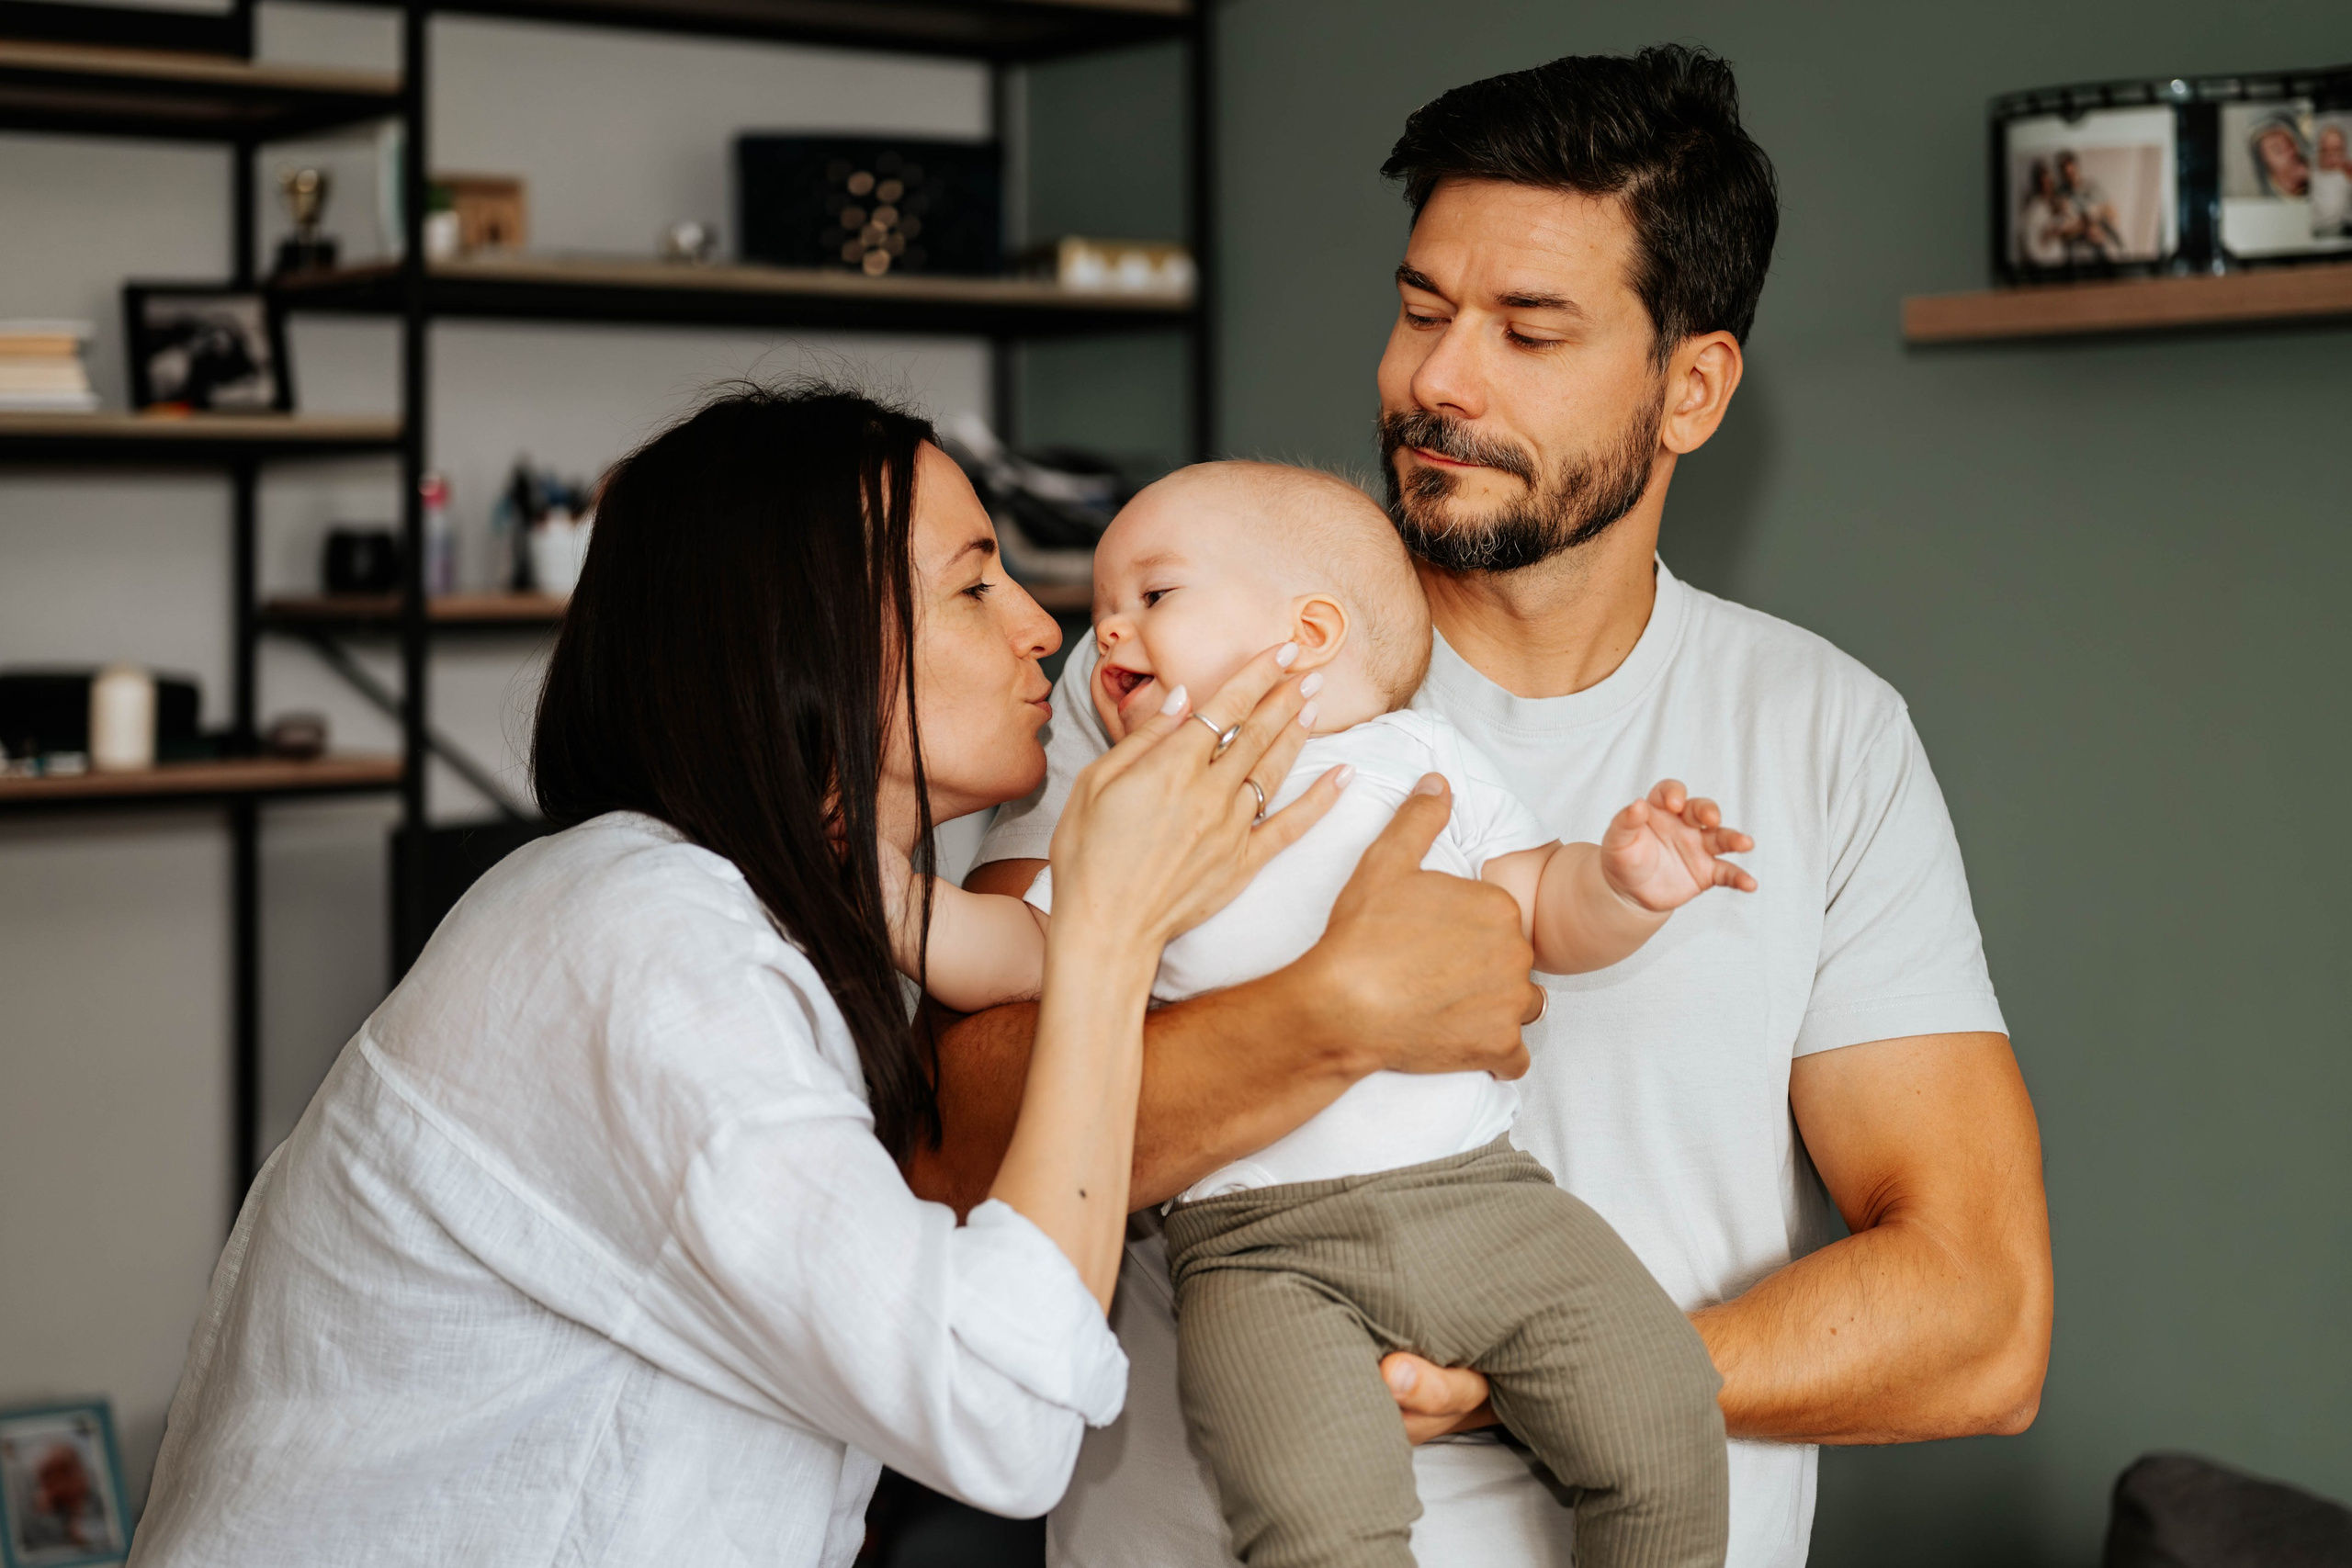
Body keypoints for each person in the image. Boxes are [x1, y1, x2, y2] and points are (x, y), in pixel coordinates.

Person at [916, 46, 2053, 1568]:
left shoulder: (1822, 734)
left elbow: (1983, 1316)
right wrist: (1331, 1010)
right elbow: (958, 1152)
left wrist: (1569, 1379)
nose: (1438, 378)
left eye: (1529, 330)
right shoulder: (1166, 686)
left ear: (1691, 387)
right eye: (1420, 310)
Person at [124, 385, 1347, 1568]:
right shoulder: (649, 947)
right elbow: (997, 1410)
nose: (1046, 625)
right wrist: (1111, 931)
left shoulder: (793, 922)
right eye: (975, 583)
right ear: (796, 640)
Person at [893, 459, 1751, 1566]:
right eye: (1102, 610)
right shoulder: (1138, 807)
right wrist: (889, 899)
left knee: (1665, 1415)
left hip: (1484, 1204)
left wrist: (1624, 886)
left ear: (1306, 632)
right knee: (1317, 1522)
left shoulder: (1420, 759)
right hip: (1257, 1249)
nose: (1102, 635)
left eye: (1152, 598)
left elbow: (1537, 904)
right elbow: (1020, 953)